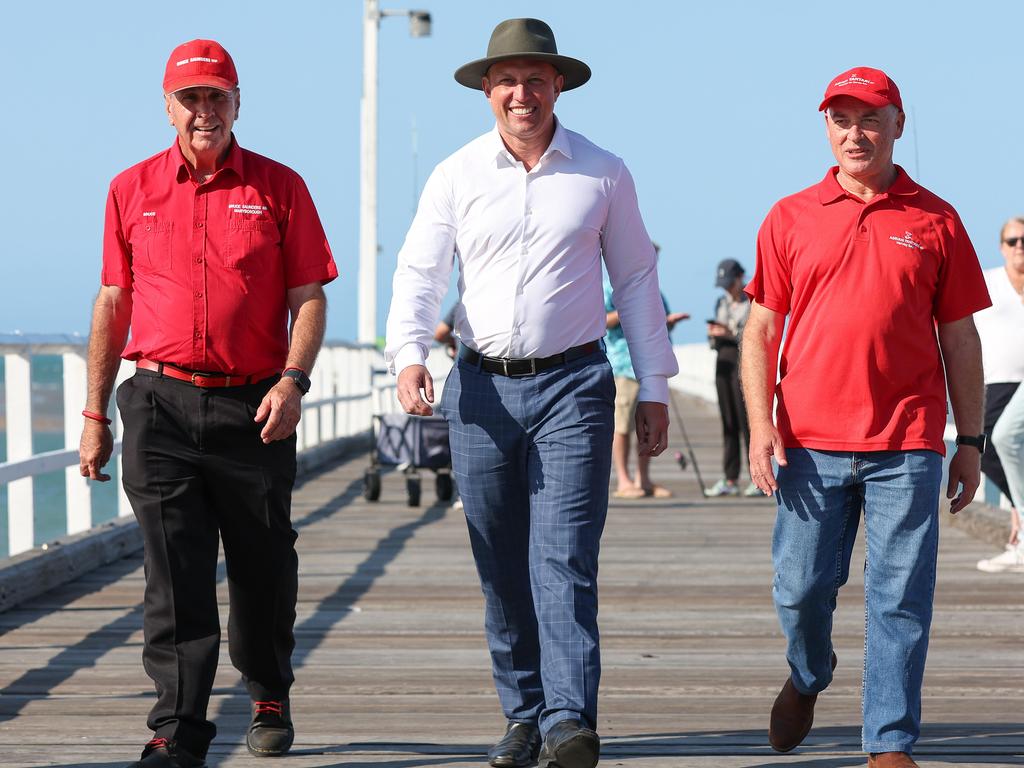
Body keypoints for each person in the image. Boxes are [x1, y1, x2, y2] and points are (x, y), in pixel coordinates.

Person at [384, 18, 677, 768]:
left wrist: (653, 385)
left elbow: (637, 277)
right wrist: (408, 353)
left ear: (559, 86)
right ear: (488, 89)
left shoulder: (603, 172)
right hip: (479, 391)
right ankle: (523, 714)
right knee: (498, 559)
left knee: (565, 557)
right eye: (508, 79)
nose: (523, 93)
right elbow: (421, 272)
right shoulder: (455, 175)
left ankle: (569, 719)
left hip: (576, 384)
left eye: (537, 79)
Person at [77, 39, 337, 768]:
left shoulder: (280, 187)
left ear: (237, 103)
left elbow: (308, 296)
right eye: (190, 98)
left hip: (255, 405)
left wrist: (292, 379)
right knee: (174, 572)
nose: (204, 110)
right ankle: (178, 729)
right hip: (157, 402)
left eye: (216, 96)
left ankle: (268, 692)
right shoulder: (130, 189)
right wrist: (95, 414)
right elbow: (113, 301)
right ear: (167, 106)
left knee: (262, 565)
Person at [742, 67, 989, 768]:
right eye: (842, 119)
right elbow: (760, 332)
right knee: (800, 589)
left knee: (900, 599)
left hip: (907, 442)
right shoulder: (790, 216)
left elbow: (960, 338)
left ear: (898, 125)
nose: (857, 133)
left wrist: (968, 441)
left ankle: (888, 742)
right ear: (827, 128)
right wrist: (762, 426)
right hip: (808, 443)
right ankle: (809, 674)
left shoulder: (936, 218)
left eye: (871, 118)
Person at [604, 244, 688, 500]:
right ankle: (624, 481)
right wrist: (628, 311)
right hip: (623, 365)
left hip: (649, 369)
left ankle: (644, 480)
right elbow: (602, 319)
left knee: (648, 427)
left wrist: (668, 322)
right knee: (621, 426)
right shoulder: (611, 287)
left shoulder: (654, 291)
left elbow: (657, 324)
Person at [975, 218, 1024, 573]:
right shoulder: (988, 282)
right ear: (1002, 246)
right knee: (986, 448)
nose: (1020, 245)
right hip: (996, 382)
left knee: (1006, 442)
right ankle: (1018, 516)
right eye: (1013, 240)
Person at [705, 258, 757, 497]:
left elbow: (753, 334)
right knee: (728, 423)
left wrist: (730, 332)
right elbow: (713, 342)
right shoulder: (721, 302)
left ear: (739, 278)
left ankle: (757, 476)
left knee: (747, 423)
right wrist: (715, 334)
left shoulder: (751, 300)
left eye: (729, 282)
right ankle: (730, 477)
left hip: (743, 362)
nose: (726, 288)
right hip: (723, 364)